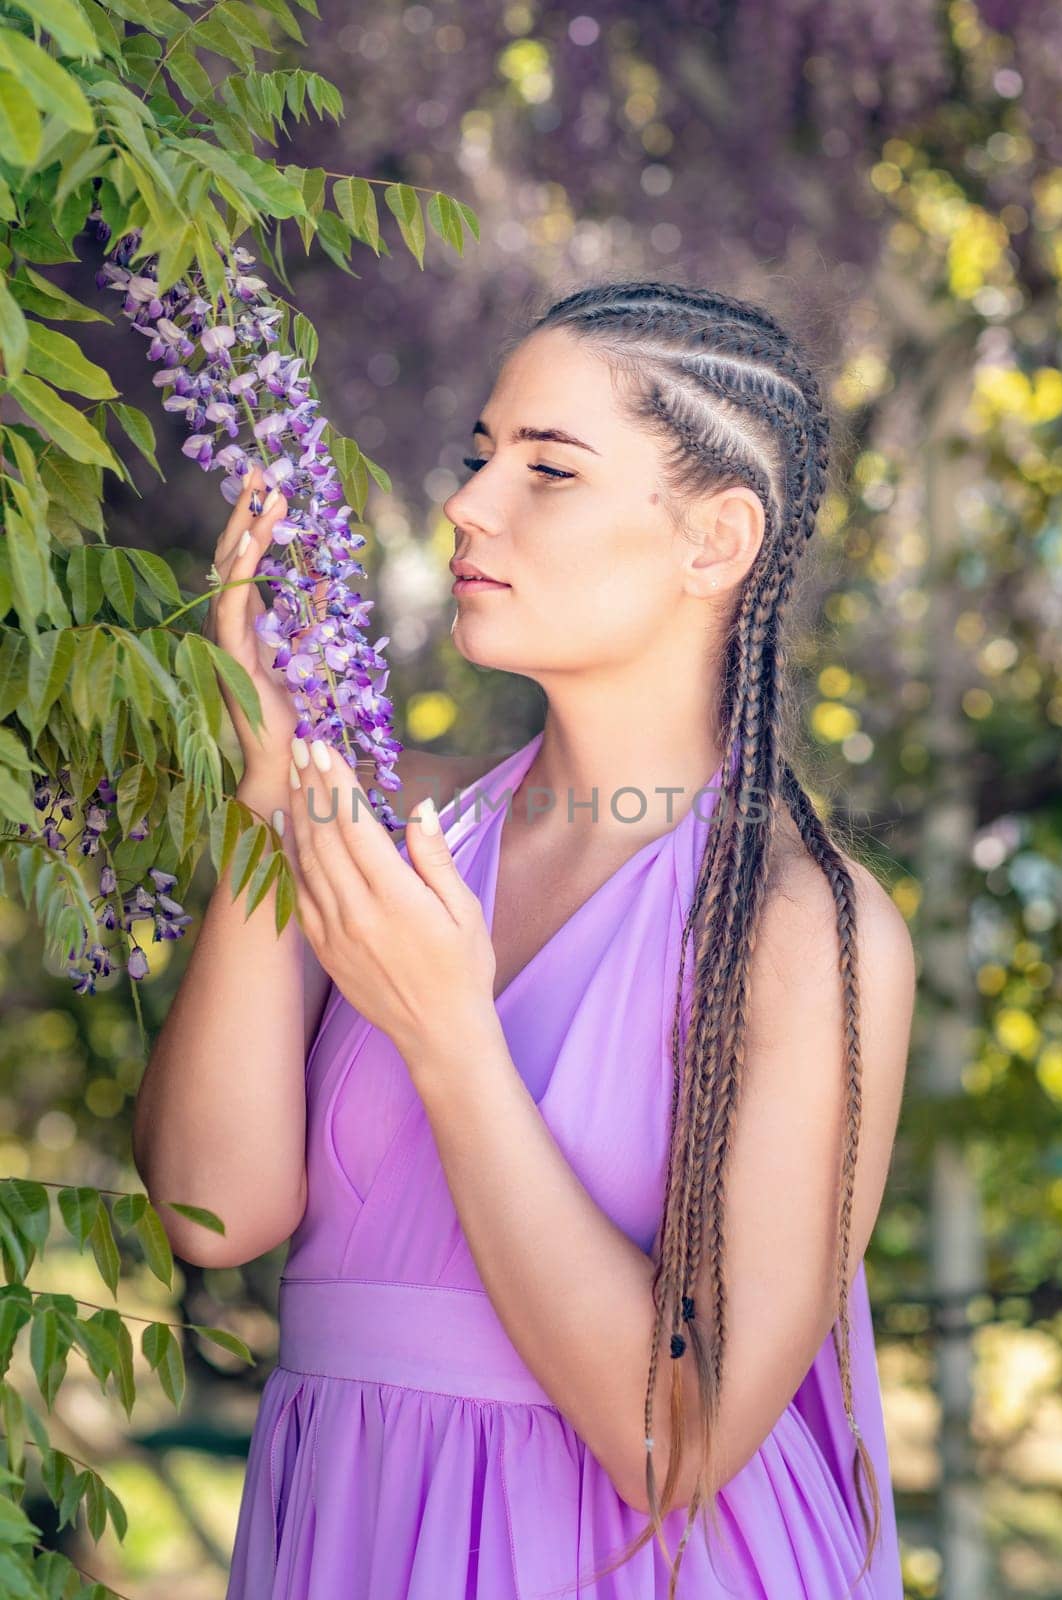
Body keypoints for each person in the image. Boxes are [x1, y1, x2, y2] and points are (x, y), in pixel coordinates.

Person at [133, 280, 915, 1598]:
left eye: (549, 470)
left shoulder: (800, 925)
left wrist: (450, 1036)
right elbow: (214, 1212)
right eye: (480, 456)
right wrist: (269, 801)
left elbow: (683, 1444)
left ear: (715, 541)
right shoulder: (402, 824)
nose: (470, 506)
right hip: (349, 1531)